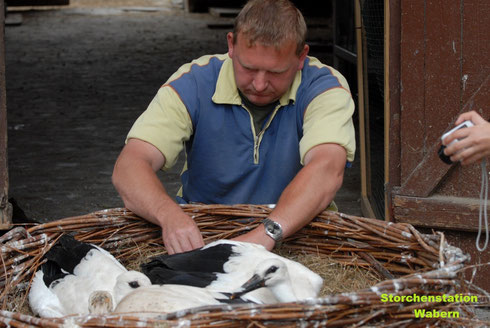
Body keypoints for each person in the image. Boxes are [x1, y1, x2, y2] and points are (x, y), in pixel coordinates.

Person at [112, 0, 356, 254]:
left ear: (301, 57)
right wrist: (169, 215)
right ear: (231, 44)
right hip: (203, 233)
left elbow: (327, 167)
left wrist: (266, 234)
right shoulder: (194, 81)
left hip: (296, 233)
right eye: (248, 68)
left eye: (276, 73)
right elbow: (130, 165)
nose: (259, 84)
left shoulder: (324, 87)